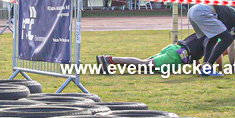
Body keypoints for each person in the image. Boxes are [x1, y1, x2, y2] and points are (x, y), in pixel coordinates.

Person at [186, 3, 235, 77]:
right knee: (226, 38)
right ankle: (208, 67)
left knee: (214, 38)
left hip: (193, 11)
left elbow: (232, 47)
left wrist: (233, 69)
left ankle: (205, 68)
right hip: (202, 12)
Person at [96, 33, 225, 75]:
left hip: (174, 48)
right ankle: (110, 59)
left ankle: (107, 63)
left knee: (143, 65)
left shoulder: (203, 32)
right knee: (143, 65)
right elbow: (217, 55)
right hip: (177, 57)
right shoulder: (215, 38)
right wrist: (221, 71)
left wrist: (200, 69)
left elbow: (197, 57)